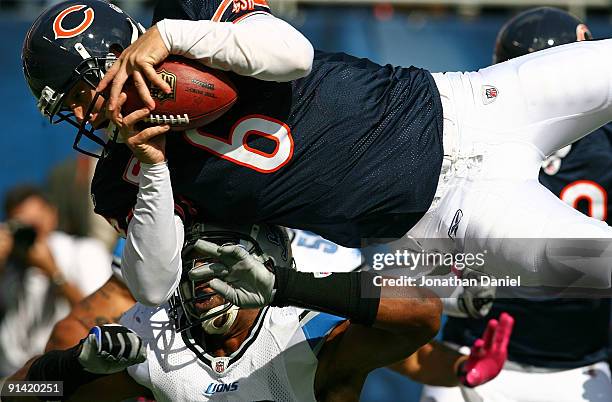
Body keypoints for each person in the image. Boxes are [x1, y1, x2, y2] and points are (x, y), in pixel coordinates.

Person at [21, 0, 612, 307]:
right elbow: (152, 285)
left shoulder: (186, 17)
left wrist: (174, 36)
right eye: (65, 108)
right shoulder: (123, 176)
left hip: (470, 101)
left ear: (116, 58)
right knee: (597, 266)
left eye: (78, 94)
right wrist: (153, 168)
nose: (80, 116)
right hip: (451, 212)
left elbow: (293, 54)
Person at [5, 222, 513, 402]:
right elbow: (17, 392)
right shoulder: (154, 330)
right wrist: (73, 367)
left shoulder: (306, 328)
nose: (203, 282)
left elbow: (418, 317)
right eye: (192, 267)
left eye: (222, 266)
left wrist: (458, 367)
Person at [420, 8, 612, 402]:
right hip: (473, 357)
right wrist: (457, 290)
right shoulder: (463, 141)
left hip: (575, 367)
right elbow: (416, 261)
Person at [0, 185, 111, 377]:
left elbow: (101, 316)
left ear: (53, 215)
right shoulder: (9, 263)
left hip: (64, 373)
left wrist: (53, 272)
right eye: (21, 226)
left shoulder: (84, 252)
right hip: (13, 375)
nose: (30, 235)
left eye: (34, 225)